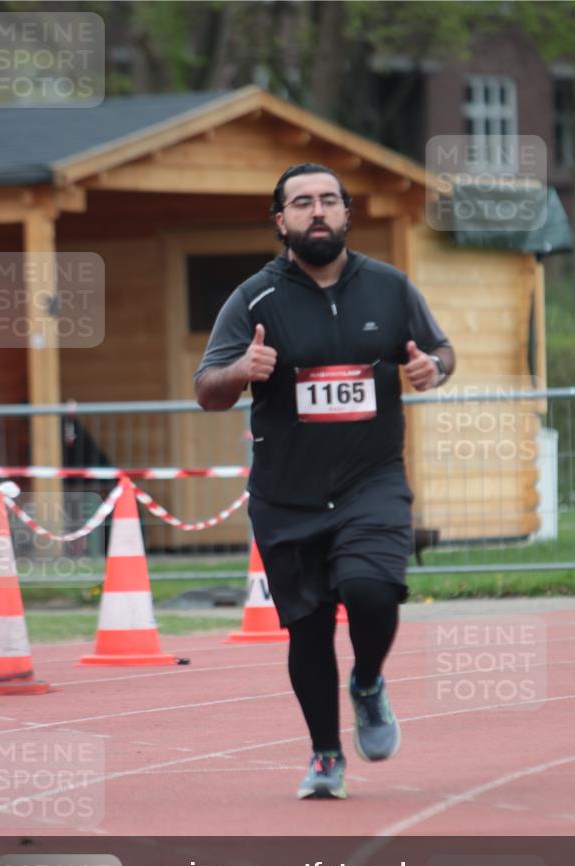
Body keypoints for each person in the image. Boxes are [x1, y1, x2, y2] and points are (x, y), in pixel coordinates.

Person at [195, 163, 455, 800]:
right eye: (303, 202)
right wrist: (240, 370)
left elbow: (441, 351)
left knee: (373, 591)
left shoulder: (390, 288)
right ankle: (325, 755)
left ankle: (366, 682)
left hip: (372, 480)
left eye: (329, 200)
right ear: (280, 220)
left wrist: (432, 368)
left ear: (346, 214)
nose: (318, 211)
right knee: (308, 629)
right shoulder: (253, 299)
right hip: (287, 494)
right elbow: (207, 389)